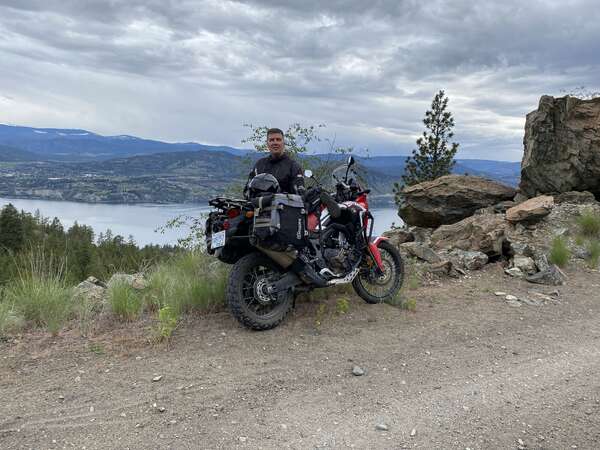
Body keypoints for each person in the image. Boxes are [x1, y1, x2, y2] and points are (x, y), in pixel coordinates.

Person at [247, 128, 305, 196]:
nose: (275, 143)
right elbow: (247, 191)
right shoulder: (259, 165)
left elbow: (300, 196)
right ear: (267, 143)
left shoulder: (293, 167)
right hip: (258, 205)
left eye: (278, 140)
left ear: (283, 142)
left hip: (284, 205)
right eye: (271, 140)